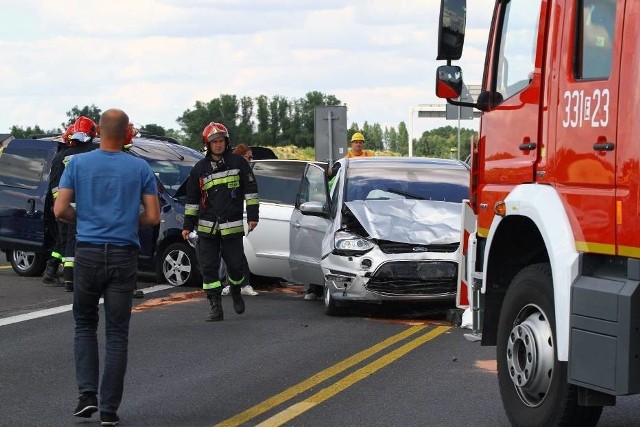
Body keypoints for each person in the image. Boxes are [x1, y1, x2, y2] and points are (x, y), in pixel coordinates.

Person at [54, 109, 160, 425]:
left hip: (86, 253)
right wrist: (127, 222)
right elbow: (153, 217)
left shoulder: (77, 164)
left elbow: (60, 209)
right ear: (127, 133)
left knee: (84, 324)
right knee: (116, 333)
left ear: (99, 131)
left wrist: (84, 219)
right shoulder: (140, 167)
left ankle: (87, 395)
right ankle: (110, 410)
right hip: (123, 255)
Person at [181, 122, 259, 321]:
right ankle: (215, 305)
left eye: (221, 141)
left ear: (226, 141)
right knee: (208, 267)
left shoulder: (238, 163)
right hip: (207, 227)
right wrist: (187, 226)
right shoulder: (199, 169)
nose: (218, 144)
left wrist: (252, 216)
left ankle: (235, 289)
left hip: (231, 226)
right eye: (214, 141)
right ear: (207, 144)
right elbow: (192, 200)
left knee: (235, 266)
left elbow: (251, 192)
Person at [48, 117, 99, 292]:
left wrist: (59, 205)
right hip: (88, 205)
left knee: (68, 241)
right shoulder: (95, 152)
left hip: (66, 206)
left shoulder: (61, 156)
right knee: (88, 241)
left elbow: (55, 185)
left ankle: (67, 278)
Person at [221, 143, 259, 297]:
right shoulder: (228, 169)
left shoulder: (245, 171)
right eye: (248, 157)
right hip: (224, 216)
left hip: (236, 217)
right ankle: (232, 284)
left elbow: (251, 194)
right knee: (228, 253)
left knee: (236, 252)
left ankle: (242, 283)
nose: (250, 160)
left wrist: (252, 217)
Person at [42, 125, 74, 286]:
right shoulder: (60, 158)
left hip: (61, 204)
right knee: (65, 240)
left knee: (62, 241)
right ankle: (52, 271)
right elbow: (56, 185)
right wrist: (59, 204)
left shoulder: (62, 157)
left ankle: (51, 270)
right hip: (61, 205)